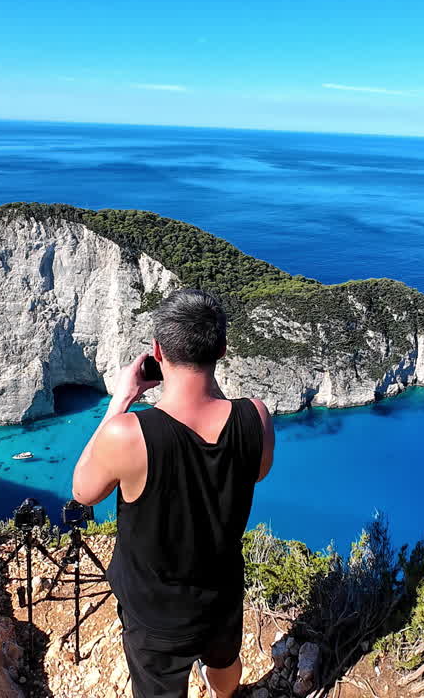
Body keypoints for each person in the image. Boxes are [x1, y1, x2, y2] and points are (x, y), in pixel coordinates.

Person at [72, 288, 276, 698]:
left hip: (154, 609)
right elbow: (256, 473)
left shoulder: (128, 433)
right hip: (221, 590)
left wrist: (124, 397)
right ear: (221, 348)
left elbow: (84, 491)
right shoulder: (256, 416)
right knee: (224, 660)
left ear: (157, 350)